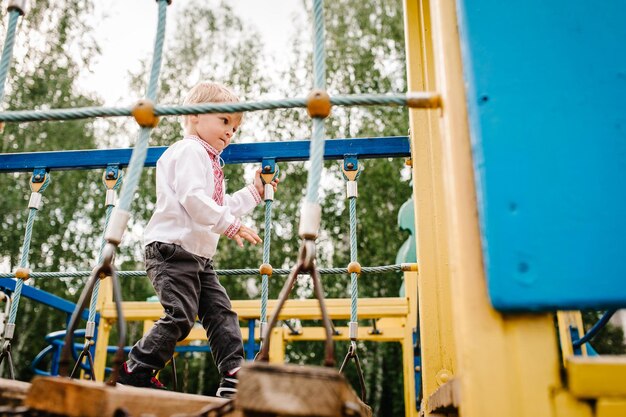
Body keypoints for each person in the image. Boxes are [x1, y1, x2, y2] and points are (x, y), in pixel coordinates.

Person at [115, 81, 278, 398]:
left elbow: (215, 206)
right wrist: (230, 225)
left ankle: (233, 374)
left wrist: (253, 194)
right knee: (180, 315)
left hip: (198, 258)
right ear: (194, 115)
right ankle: (136, 367)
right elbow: (193, 200)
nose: (231, 132)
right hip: (170, 251)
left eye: (235, 127)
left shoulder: (209, 159)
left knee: (221, 312)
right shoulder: (189, 151)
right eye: (225, 121)